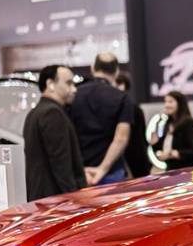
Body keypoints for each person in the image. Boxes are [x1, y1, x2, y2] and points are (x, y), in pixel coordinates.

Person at [69, 52, 134, 185]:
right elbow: (121, 138)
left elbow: (67, 135)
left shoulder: (74, 95)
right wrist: (102, 169)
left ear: (93, 68)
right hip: (112, 173)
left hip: (81, 173)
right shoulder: (122, 98)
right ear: (116, 72)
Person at [22, 64, 84, 201]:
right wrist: (76, 200)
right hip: (56, 200)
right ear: (50, 84)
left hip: (42, 198)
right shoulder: (52, 113)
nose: (74, 89)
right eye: (68, 83)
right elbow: (61, 165)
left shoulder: (35, 113)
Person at [114, 72, 151, 177]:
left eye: (119, 84)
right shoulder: (129, 105)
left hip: (134, 155)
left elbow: (139, 137)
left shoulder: (131, 106)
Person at [153, 90, 193, 170]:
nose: (166, 105)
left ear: (180, 103)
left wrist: (174, 154)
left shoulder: (189, 123)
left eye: (170, 102)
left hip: (186, 170)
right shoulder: (168, 123)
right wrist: (155, 144)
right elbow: (161, 147)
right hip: (171, 169)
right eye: (165, 102)